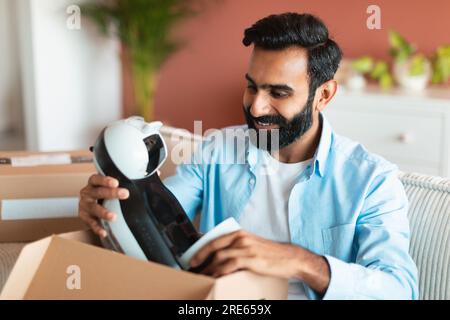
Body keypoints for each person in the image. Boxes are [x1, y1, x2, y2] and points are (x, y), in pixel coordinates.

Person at [79, 12, 418, 300]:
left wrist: (298, 260)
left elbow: (400, 288)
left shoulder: (372, 180)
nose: (256, 106)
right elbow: (158, 216)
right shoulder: (218, 151)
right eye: (252, 86)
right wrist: (112, 206)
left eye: (278, 92)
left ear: (324, 95)